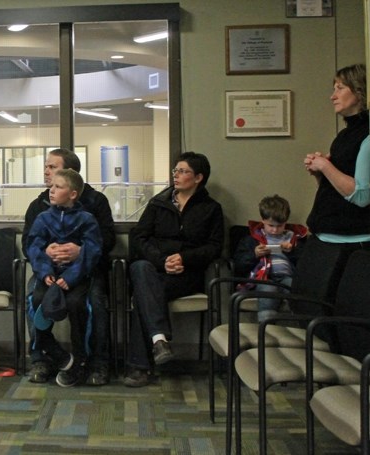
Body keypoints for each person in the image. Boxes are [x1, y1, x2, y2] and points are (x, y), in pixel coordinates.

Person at [125, 151, 224, 387]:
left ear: (198, 177)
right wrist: (162, 260)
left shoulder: (211, 209)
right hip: (155, 268)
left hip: (187, 274)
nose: (176, 176)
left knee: (142, 294)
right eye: (175, 171)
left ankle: (141, 366)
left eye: (183, 171)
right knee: (140, 268)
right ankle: (159, 340)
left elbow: (214, 247)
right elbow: (139, 238)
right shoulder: (158, 204)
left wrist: (183, 258)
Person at [22, 148, 116, 386]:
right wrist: (46, 253)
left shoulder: (95, 203)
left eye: (52, 167)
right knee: (34, 297)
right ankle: (42, 357)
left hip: (85, 271)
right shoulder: (39, 206)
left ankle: (95, 363)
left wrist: (79, 252)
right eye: (46, 167)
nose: (46, 172)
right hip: (49, 271)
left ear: (70, 174)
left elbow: (105, 241)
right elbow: (29, 243)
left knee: (92, 302)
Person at [300, 63, 370, 359]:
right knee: (319, 325)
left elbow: (362, 195)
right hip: (327, 239)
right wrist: (320, 173)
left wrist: (326, 166)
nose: (333, 95)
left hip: (351, 245)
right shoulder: (344, 136)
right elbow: (337, 191)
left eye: (340, 87)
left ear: (359, 92)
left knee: (344, 332)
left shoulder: (367, 135)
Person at [232, 195, 308, 323]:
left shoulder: (295, 239)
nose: (274, 230)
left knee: (296, 288)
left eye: (280, 226)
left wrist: (292, 252)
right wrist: (254, 254)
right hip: (263, 278)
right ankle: (266, 326)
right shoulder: (251, 239)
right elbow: (238, 263)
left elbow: (305, 263)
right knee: (269, 289)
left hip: (287, 277)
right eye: (270, 225)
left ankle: (300, 324)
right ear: (262, 220)